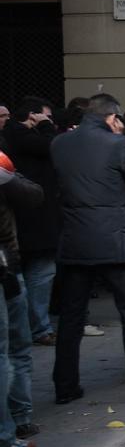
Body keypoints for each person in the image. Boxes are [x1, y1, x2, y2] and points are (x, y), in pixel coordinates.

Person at [49, 93, 125, 403]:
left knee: (71, 318)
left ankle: (65, 387)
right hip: (115, 240)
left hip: (76, 240)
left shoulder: (59, 143)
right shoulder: (117, 144)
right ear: (113, 118)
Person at [2, 97, 60, 347]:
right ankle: (36, 328)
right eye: (46, 116)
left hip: (29, 221)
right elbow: (51, 146)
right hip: (33, 220)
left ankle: (30, 328)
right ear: (32, 116)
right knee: (39, 275)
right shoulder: (22, 136)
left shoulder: (16, 138)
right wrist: (46, 126)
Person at [0, 154, 39, 447]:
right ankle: (8, 430)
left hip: (9, 264)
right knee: (11, 349)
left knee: (15, 346)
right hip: (5, 268)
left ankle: (20, 418)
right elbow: (31, 194)